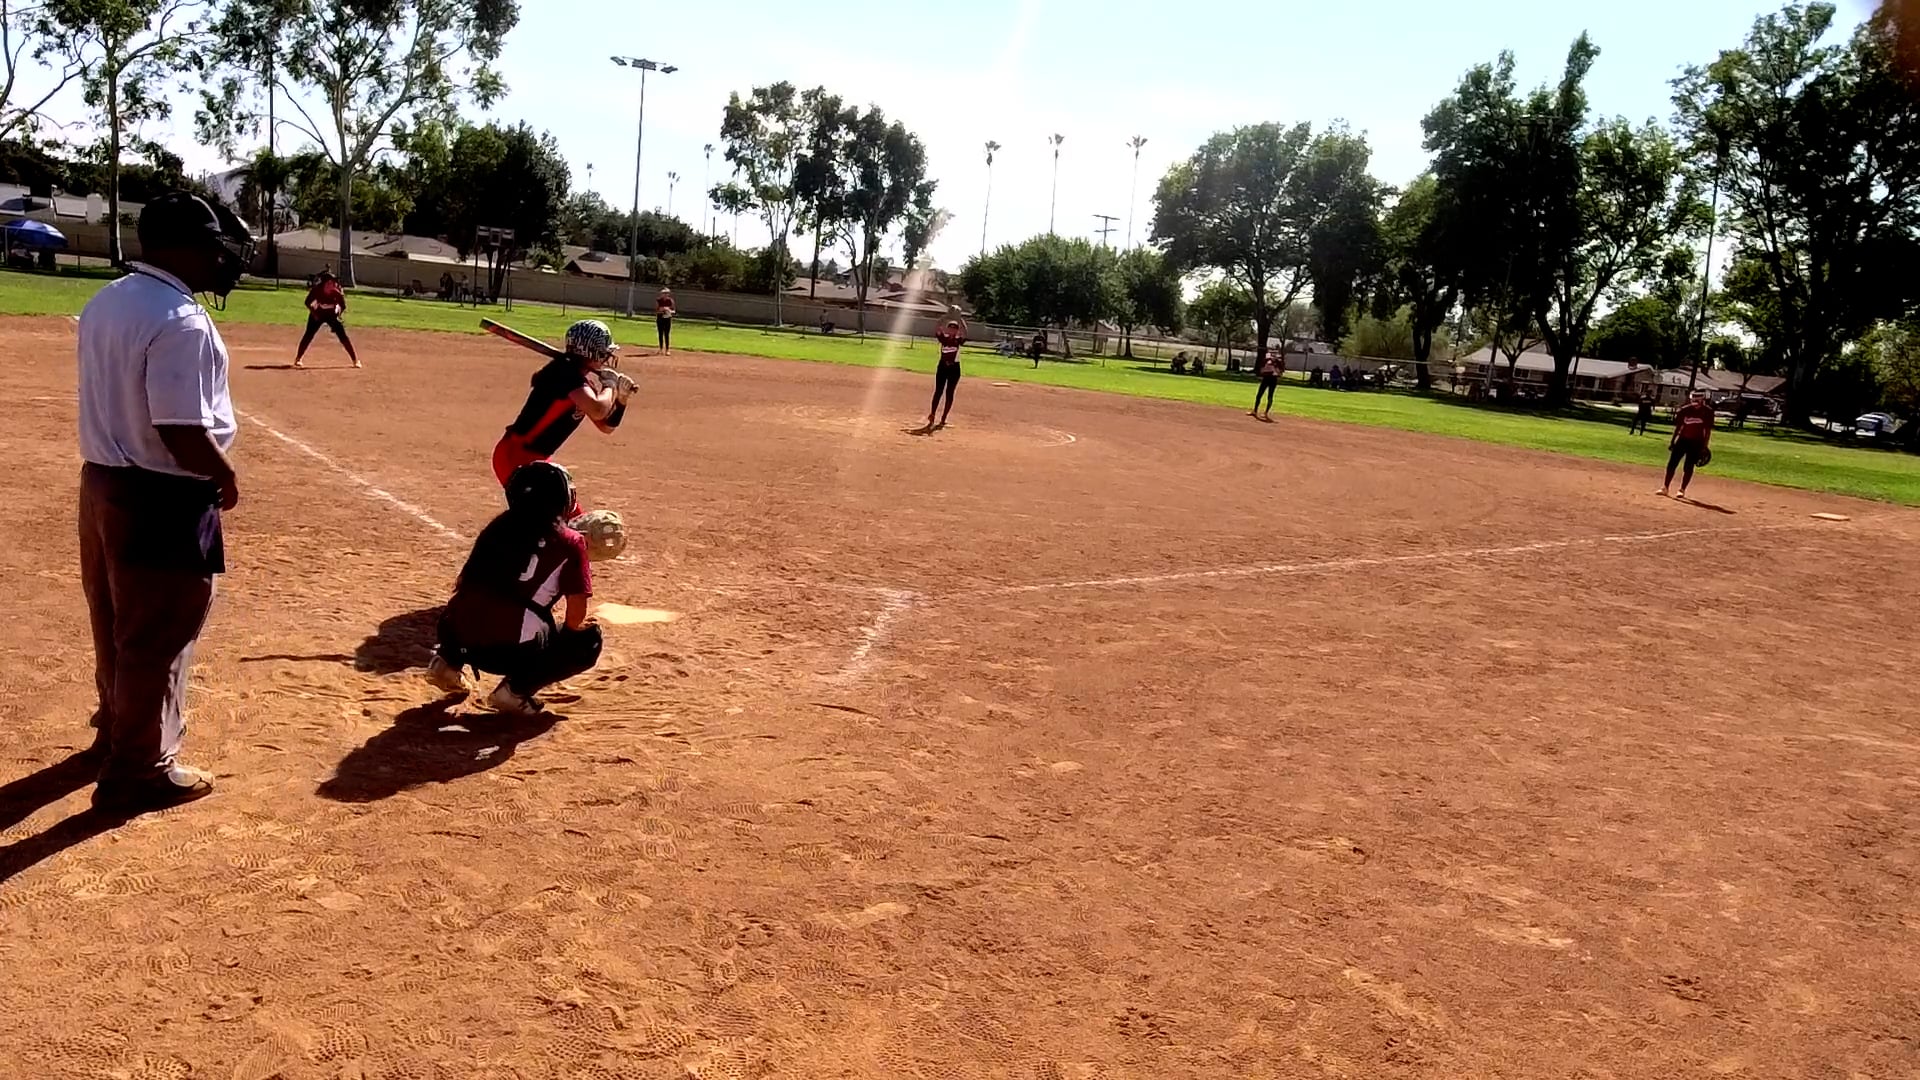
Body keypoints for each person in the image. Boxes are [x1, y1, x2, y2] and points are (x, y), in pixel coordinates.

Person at [76, 192, 254, 814]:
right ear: (180, 248)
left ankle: (116, 726)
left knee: (116, 621)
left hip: (102, 482)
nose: (221, 259)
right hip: (161, 494)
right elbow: (180, 428)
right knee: (158, 633)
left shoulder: (109, 299)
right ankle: (138, 768)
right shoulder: (181, 319)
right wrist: (225, 474)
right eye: (212, 246)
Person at [426, 462, 603, 716]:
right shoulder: (571, 541)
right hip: (508, 652)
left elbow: (463, 583)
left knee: (475, 604)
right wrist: (563, 636)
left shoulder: (497, 527)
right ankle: (515, 691)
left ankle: (447, 663)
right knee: (588, 640)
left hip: (453, 633)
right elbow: (576, 617)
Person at [492, 320, 635, 518]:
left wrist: (621, 400)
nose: (606, 357)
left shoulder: (580, 382)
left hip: (537, 460)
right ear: (591, 352)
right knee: (551, 521)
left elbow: (606, 426)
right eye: (603, 352)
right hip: (516, 456)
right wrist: (610, 386)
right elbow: (598, 410)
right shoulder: (563, 373)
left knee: (573, 520)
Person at [295, 268, 359, 369]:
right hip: (318, 313)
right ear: (324, 283)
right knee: (308, 335)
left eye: (333, 282)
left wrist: (338, 315)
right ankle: (298, 358)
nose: (333, 284)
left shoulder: (337, 292)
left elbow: (343, 306)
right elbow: (307, 302)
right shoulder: (317, 290)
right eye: (330, 282)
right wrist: (314, 313)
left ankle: (355, 360)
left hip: (331, 314)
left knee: (343, 336)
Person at [1662, 388, 1716, 498]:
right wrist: (1673, 441)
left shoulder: (1708, 412)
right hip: (1682, 440)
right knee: (1672, 464)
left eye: (1698, 400)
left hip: (1697, 442)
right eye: (1694, 400)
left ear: (1703, 400)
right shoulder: (1685, 410)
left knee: (1688, 466)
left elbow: (1707, 431)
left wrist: (1704, 446)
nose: (1695, 403)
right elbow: (1678, 427)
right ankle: (1665, 487)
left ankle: (1682, 489)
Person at [929, 315, 967, 428]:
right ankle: (932, 414)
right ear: (947, 329)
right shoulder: (943, 339)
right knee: (938, 391)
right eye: (950, 328)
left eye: (954, 328)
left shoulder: (958, 340)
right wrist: (944, 317)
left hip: (954, 369)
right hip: (943, 367)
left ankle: (944, 418)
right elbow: (937, 328)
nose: (952, 330)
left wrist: (960, 319)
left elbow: (965, 333)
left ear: (957, 331)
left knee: (949, 393)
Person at [1251, 351, 1281, 420]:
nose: (1272, 356)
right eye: (1272, 355)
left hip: (1273, 380)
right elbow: (1262, 369)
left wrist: (1275, 369)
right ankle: (1255, 411)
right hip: (1266, 379)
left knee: (1270, 396)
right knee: (1259, 395)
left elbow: (1280, 372)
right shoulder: (1267, 361)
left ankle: (1266, 413)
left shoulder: (1278, 363)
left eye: (1274, 355)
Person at [655, 287, 675, 355]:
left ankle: (667, 349)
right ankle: (660, 348)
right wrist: (661, 310)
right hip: (660, 318)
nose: (665, 294)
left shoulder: (670, 301)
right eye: (664, 293)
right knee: (660, 334)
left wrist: (669, 311)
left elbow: (674, 311)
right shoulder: (658, 300)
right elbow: (656, 311)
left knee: (667, 334)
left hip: (667, 319)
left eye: (666, 293)